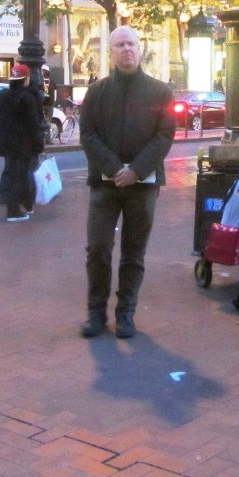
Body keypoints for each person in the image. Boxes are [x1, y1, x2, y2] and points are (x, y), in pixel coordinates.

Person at [79, 26, 175, 339]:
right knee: (98, 248)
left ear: (140, 48)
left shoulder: (160, 91)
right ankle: (96, 313)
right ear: (111, 51)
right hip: (104, 186)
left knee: (134, 253)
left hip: (143, 185)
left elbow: (164, 135)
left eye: (131, 44)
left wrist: (135, 170)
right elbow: (88, 135)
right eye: (119, 45)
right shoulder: (97, 92)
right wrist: (113, 168)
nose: (126, 50)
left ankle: (125, 314)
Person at [0, 64, 45, 221]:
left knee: (12, 172)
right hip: (22, 144)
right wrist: (39, 145)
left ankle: (15, 204)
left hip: (3, 142)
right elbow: (33, 124)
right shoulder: (27, 98)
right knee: (19, 175)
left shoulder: (2, 95)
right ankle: (13, 210)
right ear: (26, 79)